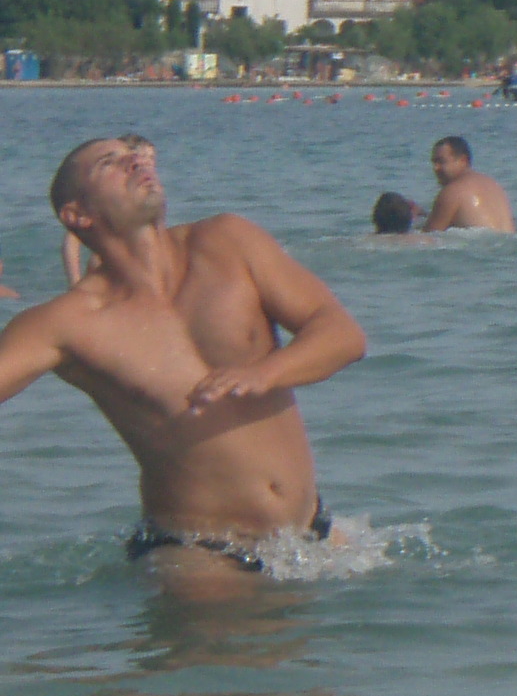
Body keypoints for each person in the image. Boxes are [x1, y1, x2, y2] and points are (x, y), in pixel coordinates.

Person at [0, 134, 366, 578]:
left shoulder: (229, 242)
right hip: (199, 553)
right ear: (77, 214)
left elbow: (343, 335)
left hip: (313, 531)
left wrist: (266, 372)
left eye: (133, 154)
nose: (135, 162)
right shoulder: (68, 322)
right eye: (109, 163)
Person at [424, 135, 514, 232]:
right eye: (434, 163)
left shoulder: (453, 191)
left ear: (463, 160)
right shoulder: (494, 186)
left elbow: (428, 236)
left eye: (441, 161)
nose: (435, 168)